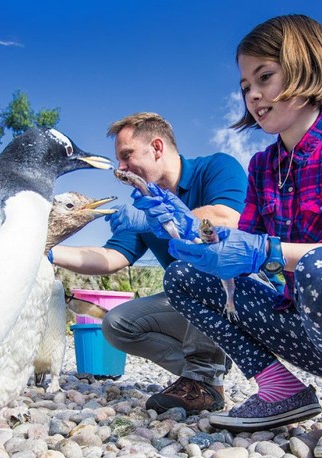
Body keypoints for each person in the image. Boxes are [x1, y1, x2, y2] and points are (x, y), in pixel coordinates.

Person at [156, 15, 322, 458]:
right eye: (244, 86)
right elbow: (248, 253)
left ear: (308, 69)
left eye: (265, 77)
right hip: (303, 331)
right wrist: (192, 231)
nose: (252, 95)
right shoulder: (261, 166)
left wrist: (265, 251)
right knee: (183, 276)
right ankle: (280, 390)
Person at [49, 112, 247, 414]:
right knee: (117, 325)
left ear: (156, 148)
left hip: (241, 297)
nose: (121, 168)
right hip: (195, 303)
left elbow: (226, 221)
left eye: (126, 156)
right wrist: (47, 251)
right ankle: (209, 370)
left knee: (200, 257)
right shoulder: (145, 202)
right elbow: (111, 258)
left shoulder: (216, 168)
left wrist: (166, 217)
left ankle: (203, 377)